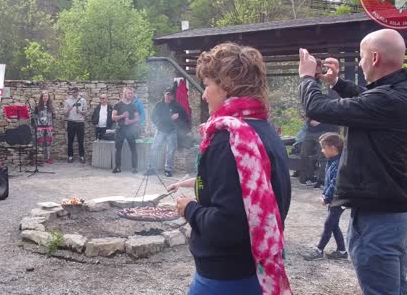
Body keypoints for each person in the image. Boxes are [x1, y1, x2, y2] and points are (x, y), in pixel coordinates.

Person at [298, 29, 407, 294]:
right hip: (392, 215)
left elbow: (317, 108)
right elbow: (366, 99)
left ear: (374, 58)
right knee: (397, 288)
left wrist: (307, 77)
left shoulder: (388, 99)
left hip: (378, 220)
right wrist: (336, 83)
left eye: (362, 57)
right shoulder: (398, 90)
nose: (361, 63)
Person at [168, 43, 292, 294]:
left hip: (225, 278)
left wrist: (189, 208)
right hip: (254, 270)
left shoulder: (231, 140)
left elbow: (228, 224)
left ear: (227, 85)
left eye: (207, 85)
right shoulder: (264, 129)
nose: (204, 95)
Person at [303, 132, 348, 261]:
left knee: (329, 224)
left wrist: (326, 197)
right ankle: (342, 251)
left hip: (338, 199)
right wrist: (325, 194)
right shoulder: (332, 161)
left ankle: (319, 250)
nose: (322, 151)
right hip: (335, 199)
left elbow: (335, 183)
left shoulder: (338, 163)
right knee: (333, 224)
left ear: (333, 148)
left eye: (324, 147)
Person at [145, 88, 187, 177]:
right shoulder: (158, 105)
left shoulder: (176, 106)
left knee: (170, 151)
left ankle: (168, 170)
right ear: (164, 94)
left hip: (172, 131)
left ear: (173, 96)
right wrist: (160, 124)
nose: (169, 97)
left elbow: (185, 115)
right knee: (154, 149)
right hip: (160, 130)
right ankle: (151, 169)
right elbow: (153, 117)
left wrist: (178, 118)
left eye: (171, 95)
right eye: (167, 94)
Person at [112, 87, 140, 174]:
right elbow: (113, 117)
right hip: (120, 129)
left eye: (132, 93)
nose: (131, 95)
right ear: (124, 94)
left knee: (133, 149)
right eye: (129, 93)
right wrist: (122, 116)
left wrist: (130, 121)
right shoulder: (117, 105)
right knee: (118, 149)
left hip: (130, 130)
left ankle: (134, 168)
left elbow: (137, 118)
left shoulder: (133, 105)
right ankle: (118, 167)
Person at [63, 87, 87, 164]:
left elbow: (85, 113)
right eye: (73, 92)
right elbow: (65, 115)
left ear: (78, 92)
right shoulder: (67, 101)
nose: (75, 93)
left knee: (81, 140)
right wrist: (69, 110)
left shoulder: (83, 100)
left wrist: (80, 111)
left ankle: (82, 156)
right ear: (71, 92)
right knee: (70, 141)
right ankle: (70, 156)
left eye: (76, 92)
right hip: (71, 122)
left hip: (80, 122)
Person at [34, 91, 55, 164]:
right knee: (40, 142)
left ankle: (48, 158)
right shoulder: (37, 107)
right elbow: (35, 117)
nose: (45, 97)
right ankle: (41, 158)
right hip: (40, 127)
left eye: (46, 96)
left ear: (48, 97)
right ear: (41, 97)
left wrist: (52, 126)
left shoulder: (51, 107)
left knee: (49, 142)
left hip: (49, 127)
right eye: (44, 96)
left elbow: (53, 117)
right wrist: (36, 126)